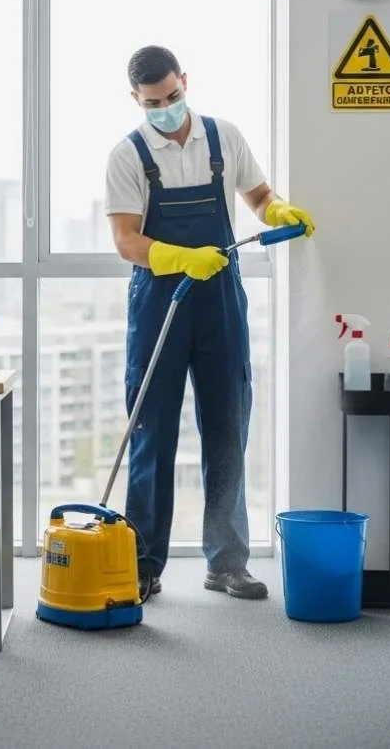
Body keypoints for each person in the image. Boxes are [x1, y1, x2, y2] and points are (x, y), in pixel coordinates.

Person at [105, 46, 314, 601]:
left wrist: (279, 211)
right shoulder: (127, 156)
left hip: (220, 301)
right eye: (154, 102)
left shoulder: (224, 138)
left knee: (227, 427)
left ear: (185, 82)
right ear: (136, 100)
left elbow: (260, 195)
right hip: (160, 304)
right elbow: (127, 240)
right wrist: (181, 257)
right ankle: (144, 564)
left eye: (173, 96)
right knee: (152, 433)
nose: (167, 108)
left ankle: (227, 563)